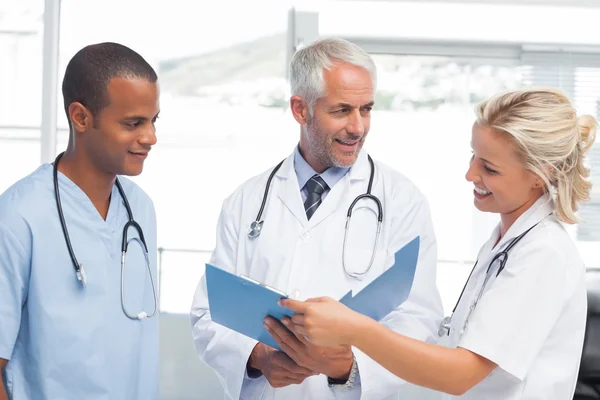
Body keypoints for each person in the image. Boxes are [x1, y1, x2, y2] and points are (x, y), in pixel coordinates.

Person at [275, 87, 596, 399]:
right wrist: (347, 360)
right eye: (474, 156)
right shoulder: (506, 241)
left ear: (541, 174)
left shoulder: (543, 254)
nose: (470, 174)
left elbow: (460, 375)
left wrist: (356, 329)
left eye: (490, 168)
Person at [190, 37, 443, 400]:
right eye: (341, 111)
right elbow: (208, 312)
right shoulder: (246, 201)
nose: (358, 127)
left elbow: (420, 318)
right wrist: (257, 357)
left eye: (366, 109)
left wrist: (345, 367)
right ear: (300, 109)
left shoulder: (402, 201)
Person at [0, 42, 160, 400]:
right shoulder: (18, 216)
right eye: (133, 123)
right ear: (81, 117)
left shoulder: (140, 209)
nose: (150, 137)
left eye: (153, 120)